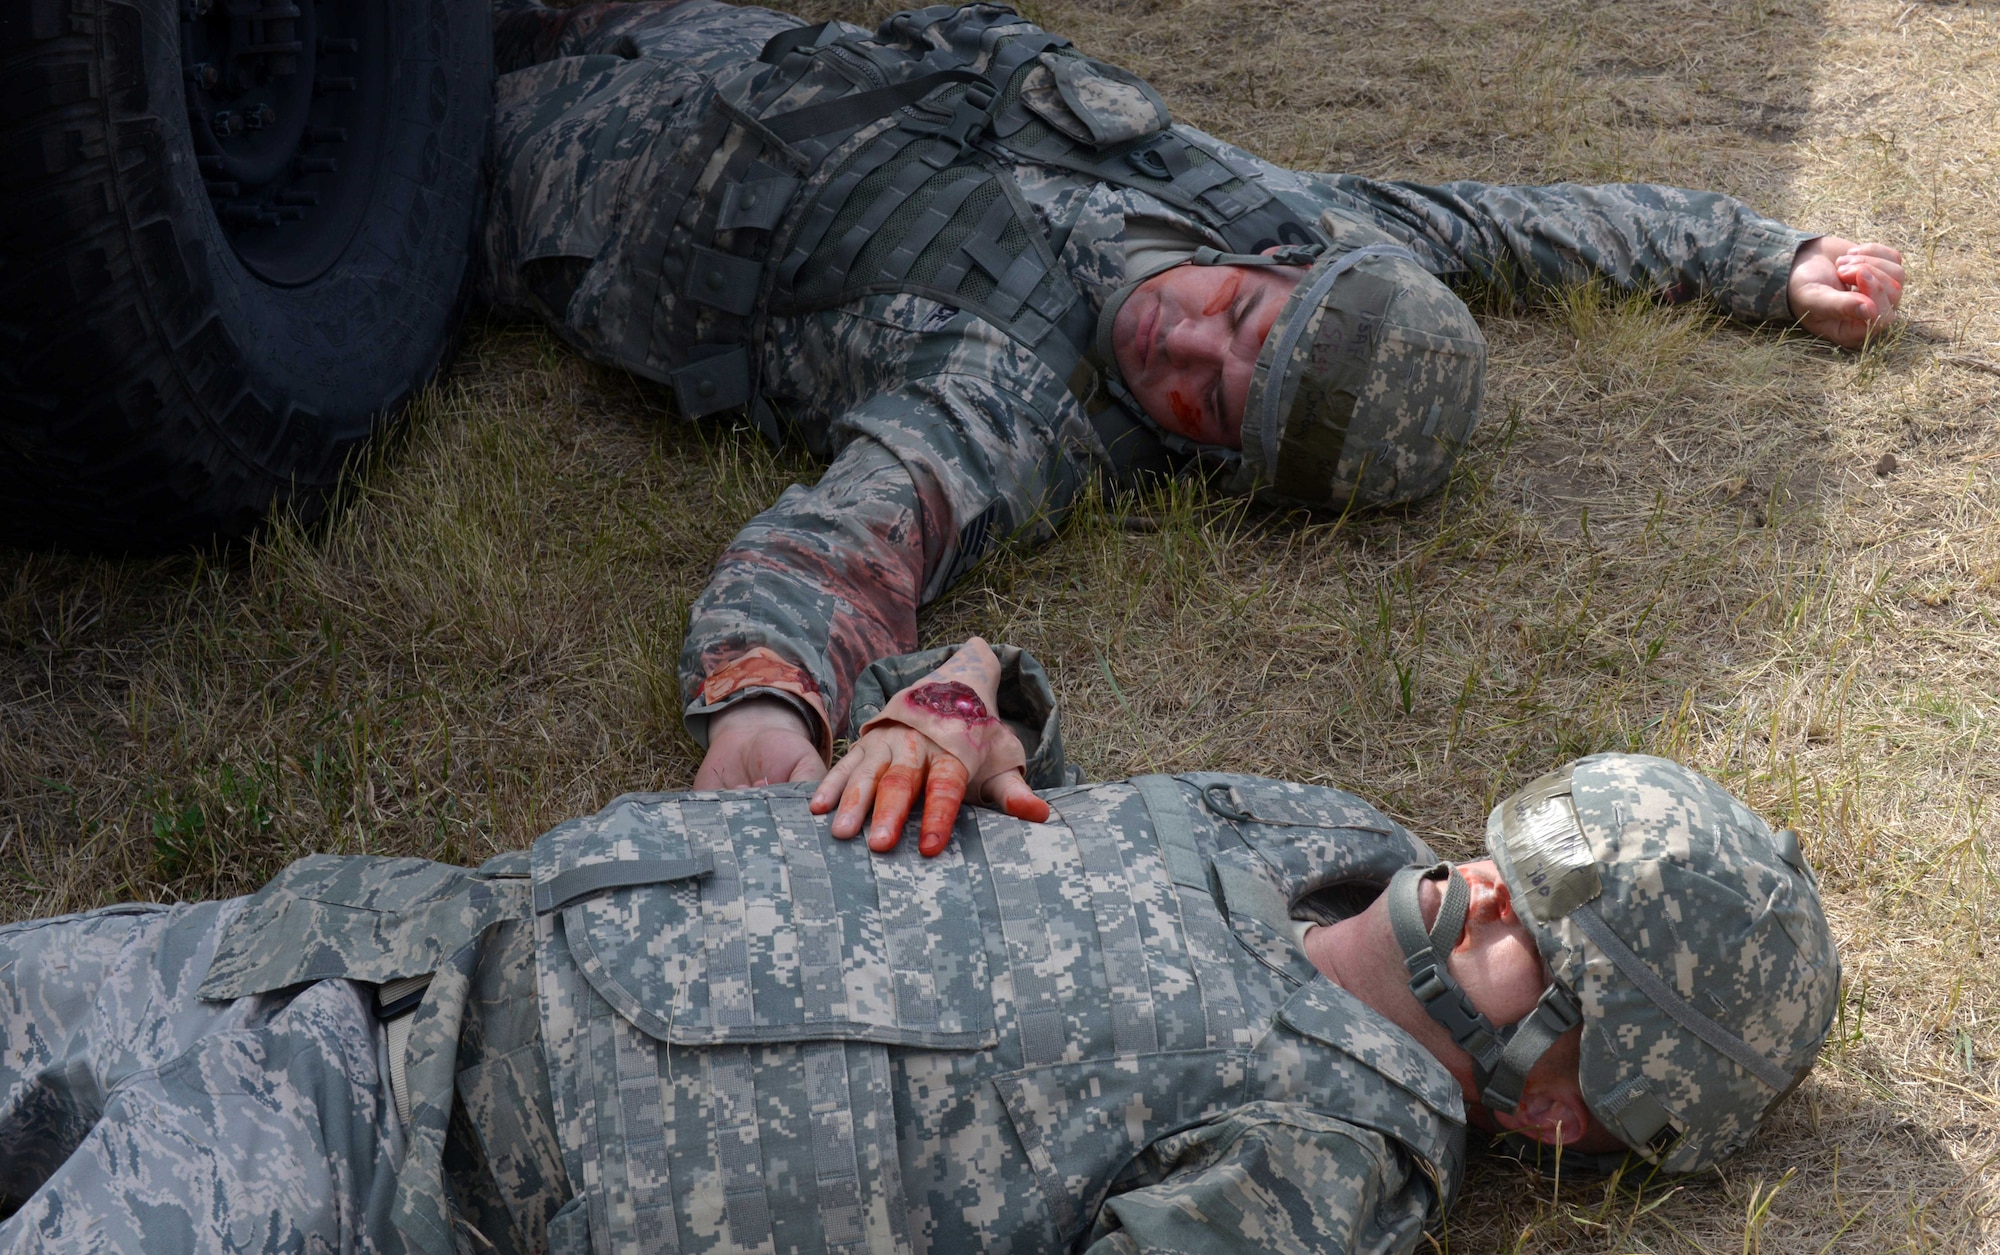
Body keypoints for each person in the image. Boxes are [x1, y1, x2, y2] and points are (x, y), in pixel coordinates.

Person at [0, 643, 1840, 1255]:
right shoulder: (1319, 824)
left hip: (365, 1201)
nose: (1490, 880)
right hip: (341, 942)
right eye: (1532, 844)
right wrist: (959, 699)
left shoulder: (1325, 1168)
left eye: (1548, 931)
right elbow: (1035, 745)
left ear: (1562, 1102)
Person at [477, 0, 1905, 833]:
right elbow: (1520, 225)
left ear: (1212, 461)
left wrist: (771, 698)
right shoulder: (1293, 219)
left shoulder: (1018, 411)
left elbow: (844, 545)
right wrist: (1764, 262)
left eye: (1214, 405)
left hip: (553, 174)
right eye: (1240, 320)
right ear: (1290, 270)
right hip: (704, 30)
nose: (1188, 346)